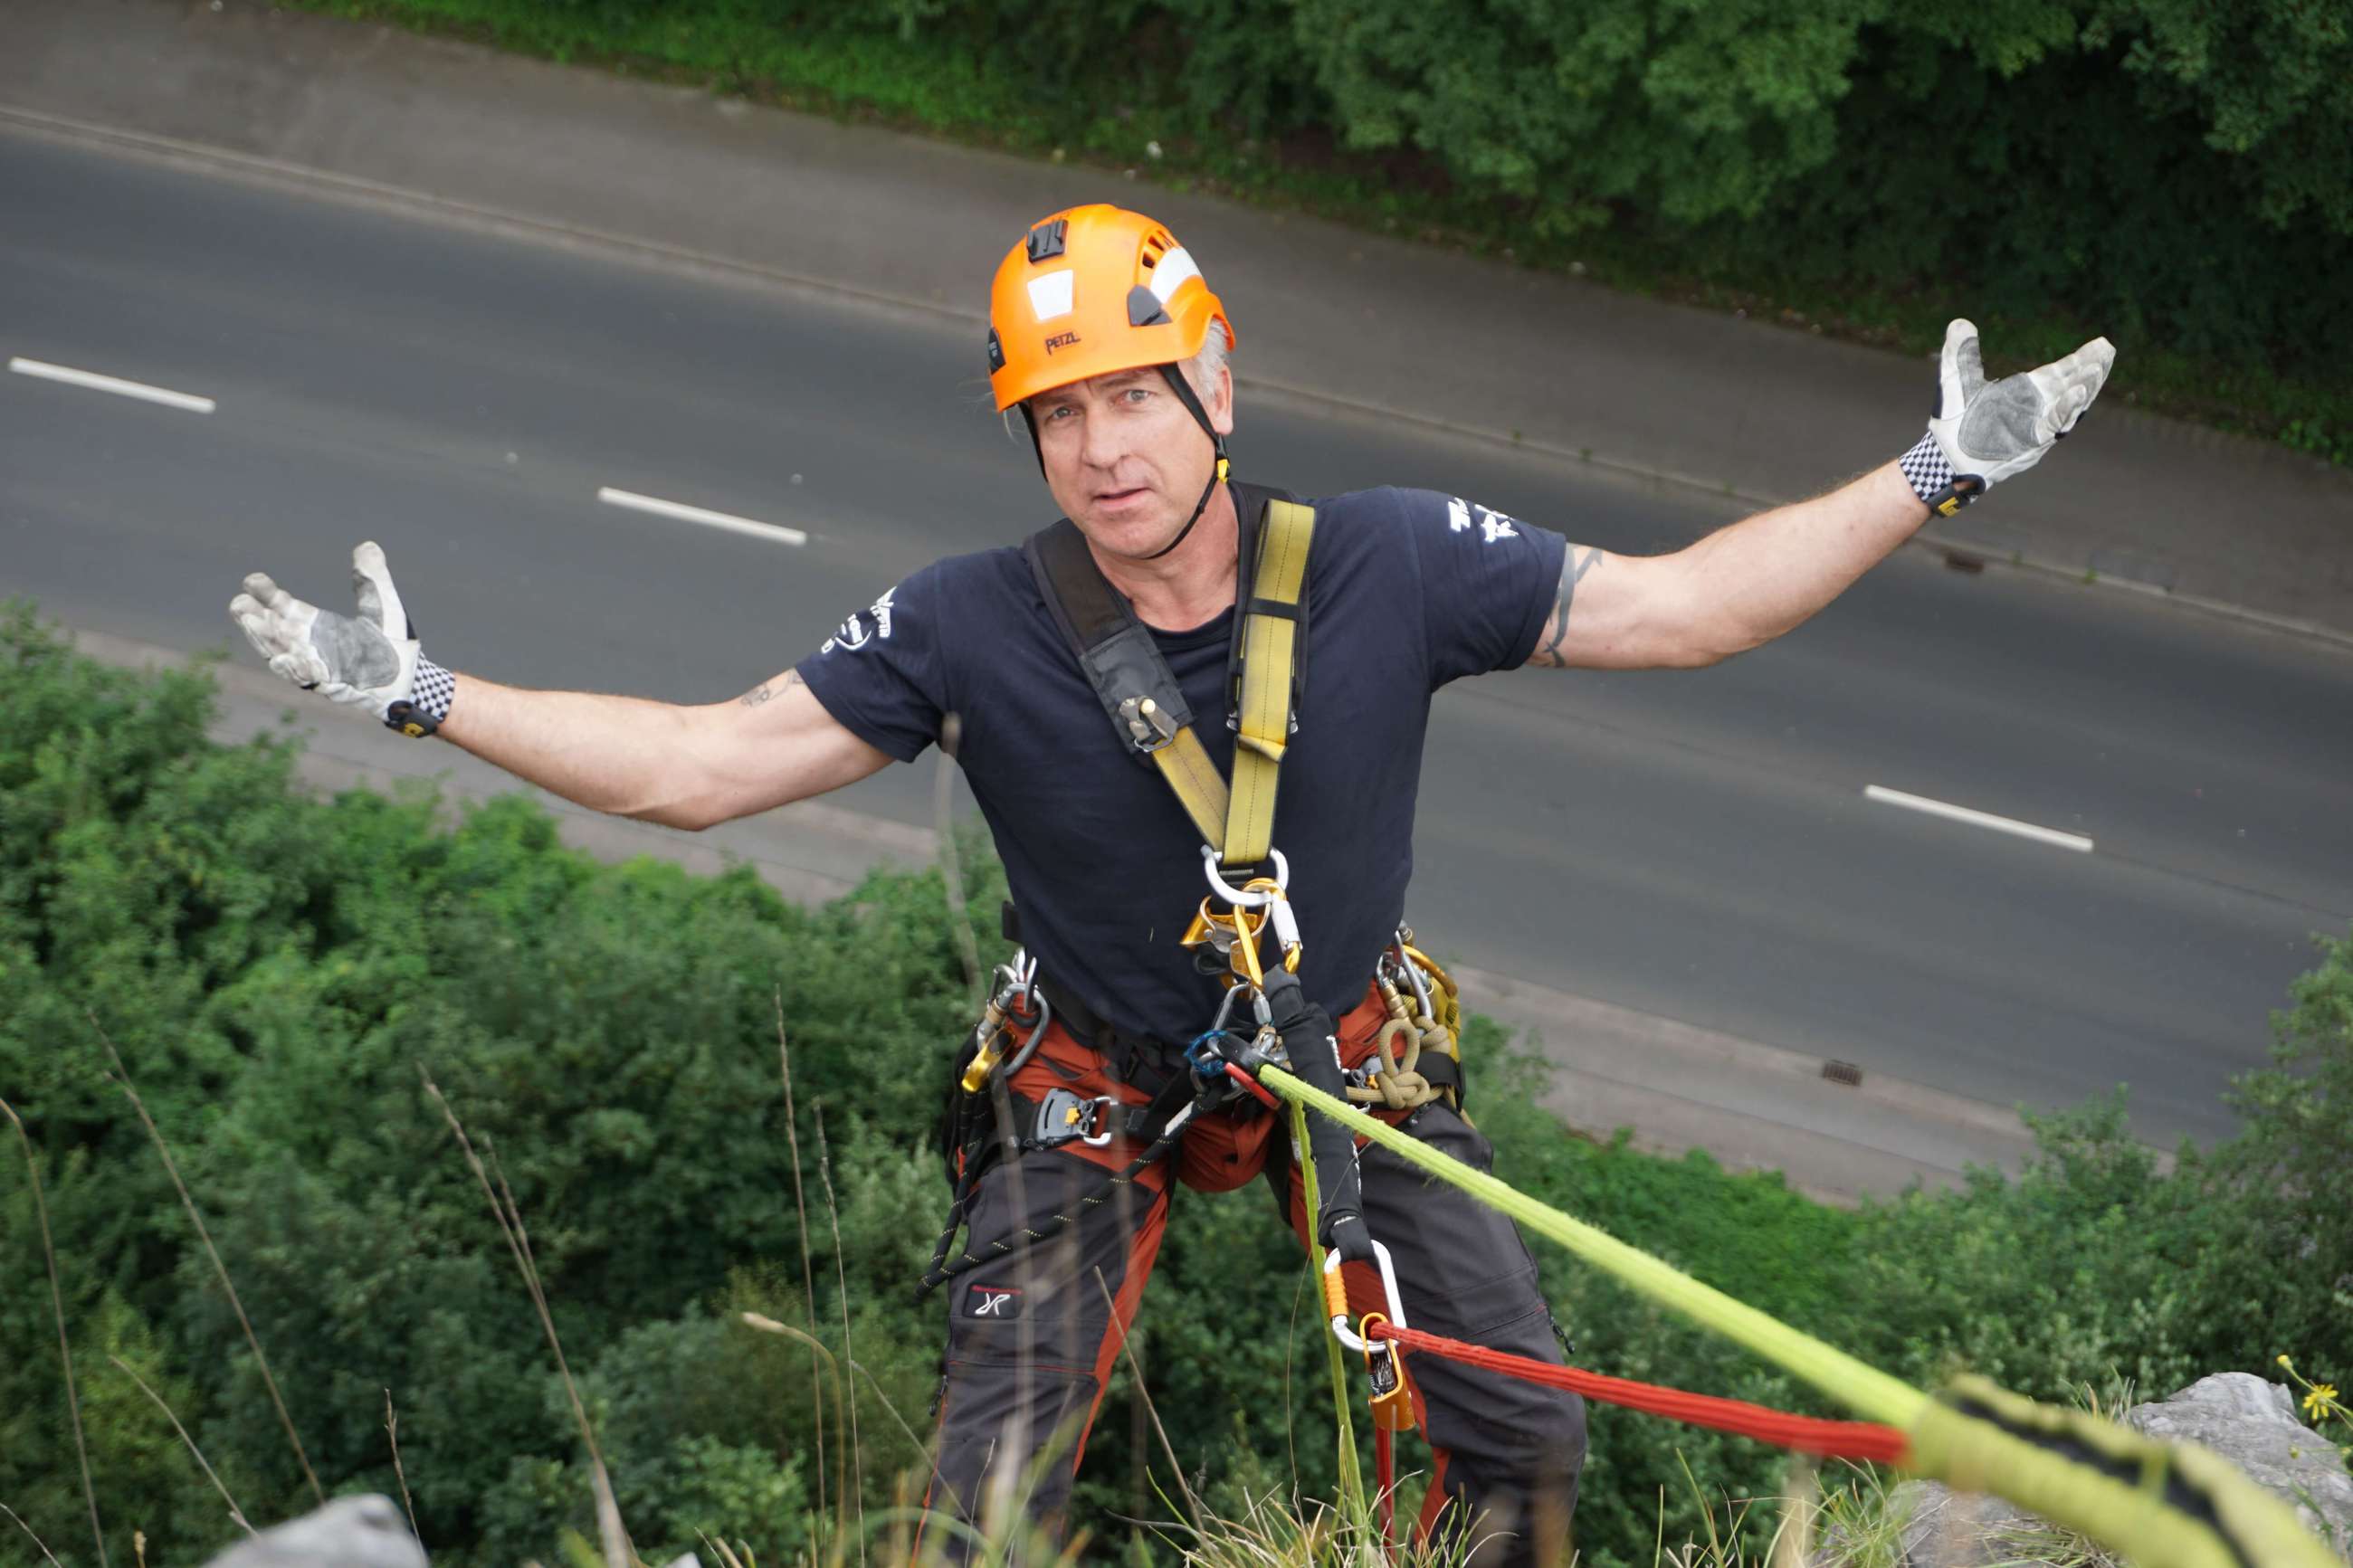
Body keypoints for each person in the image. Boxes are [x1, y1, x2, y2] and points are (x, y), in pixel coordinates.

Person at [228, 203, 2113, 1563]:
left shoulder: (1389, 564)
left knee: (1528, 1443)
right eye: (1059, 415)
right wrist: (423, 693)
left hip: (1341, 1039)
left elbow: (1686, 612)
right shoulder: (967, 624)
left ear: (1215, 378)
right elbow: (708, 769)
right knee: (979, 1521)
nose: (1100, 446)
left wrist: (1932, 469)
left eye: (1132, 394)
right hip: (1094, 1067)